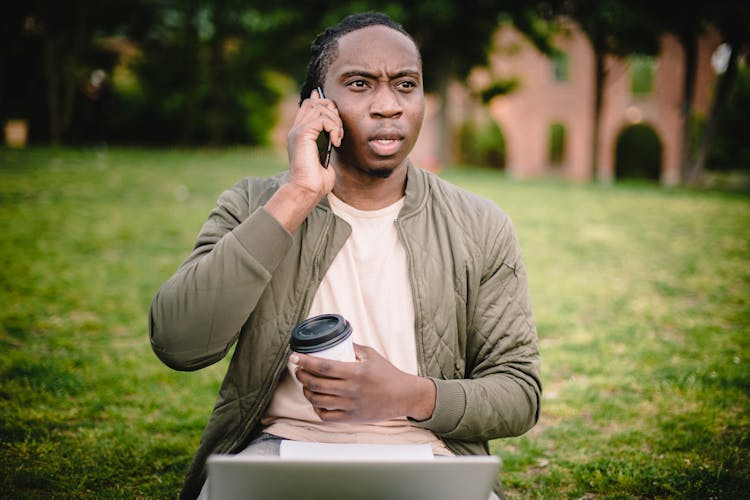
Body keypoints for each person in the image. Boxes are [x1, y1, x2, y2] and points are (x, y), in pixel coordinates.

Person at [149, 12, 541, 500]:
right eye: (360, 84)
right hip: (281, 452)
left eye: (405, 85)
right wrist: (296, 196)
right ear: (317, 106)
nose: (388, 106)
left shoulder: (480, 225)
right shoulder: (254, 205)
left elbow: (520, 392)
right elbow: (178, 342)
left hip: (431, 456)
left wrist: (408, 393)